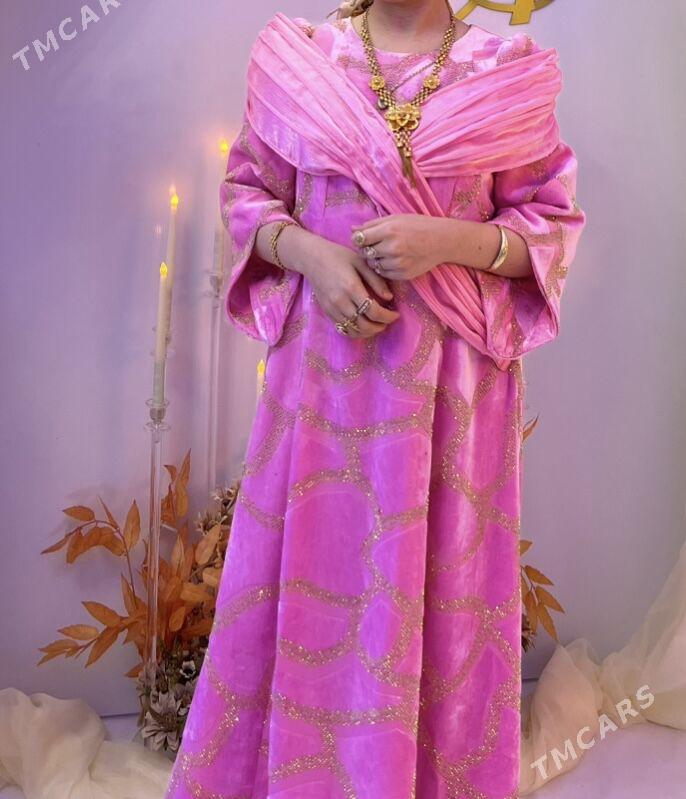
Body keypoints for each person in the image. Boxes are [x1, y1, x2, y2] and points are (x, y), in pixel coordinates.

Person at [165, 1, 586, 796]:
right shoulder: (303, 60)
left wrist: (445, 240)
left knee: (436, 601)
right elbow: (248, 193)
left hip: (450, 399)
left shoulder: (505, 72)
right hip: (322, 386)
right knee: (312, 589)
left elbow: (550, 226)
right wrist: (313, 257)